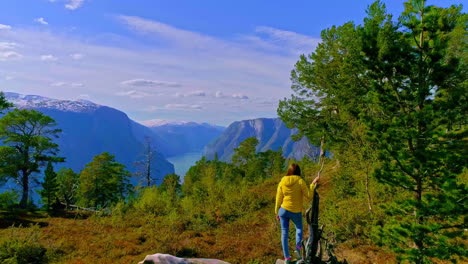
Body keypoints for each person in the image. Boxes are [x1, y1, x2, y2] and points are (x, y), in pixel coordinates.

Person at [275, 163, 319, 264]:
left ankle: (287, 258)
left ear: (289, 171)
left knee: (284, 233)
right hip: (295, 212)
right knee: (299, 229)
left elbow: (278, 198)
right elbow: (309, 195)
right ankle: (298, 249)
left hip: (283, 210)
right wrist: (312, 184)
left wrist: (276, 211)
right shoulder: (300, 181)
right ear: (298, 171)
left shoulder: (282, 181)